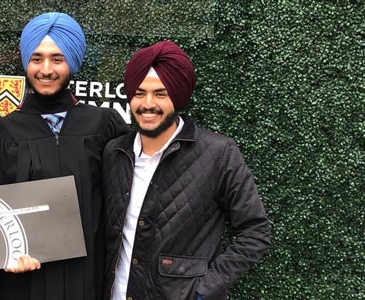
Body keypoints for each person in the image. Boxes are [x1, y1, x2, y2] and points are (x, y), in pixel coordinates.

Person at [0, 12, 131, 300]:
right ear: (26, 62)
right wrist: (5, 252)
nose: (46, 69)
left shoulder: (104, 125)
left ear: (71, 63)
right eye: (37, 58)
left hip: (87, 279)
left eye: (57, 59)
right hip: (21, 283)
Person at [102, 41, 271, 300]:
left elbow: (255, 231)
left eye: (160, 94)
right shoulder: (115, 153)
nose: (148, 104)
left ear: (177, 96)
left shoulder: (219, 153)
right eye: (139, 93)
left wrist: (205, 289)